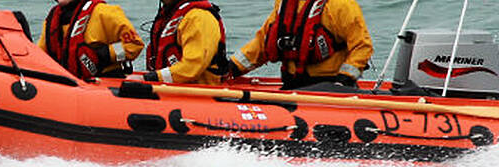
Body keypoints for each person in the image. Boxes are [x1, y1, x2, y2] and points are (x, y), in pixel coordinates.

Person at [228, 0, 373, 90]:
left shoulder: (341, 5)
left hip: (329, 87)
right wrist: (232, 68)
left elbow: (362, 46)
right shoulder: (284, 3)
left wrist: (344, 80)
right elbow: (263, 43)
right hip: (292, 85)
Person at [39, 0, 145, 80]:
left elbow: (134, 46)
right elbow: (40, 55)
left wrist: (107, 53)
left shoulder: (104, 12)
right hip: (69, 84)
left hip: (104, 82)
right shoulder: (51, 21)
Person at [141, 0, 229, 85]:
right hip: (171, 89)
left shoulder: (198, 17)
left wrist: (153, 78)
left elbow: (192, 67)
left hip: (200, 93)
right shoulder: (172, 14)